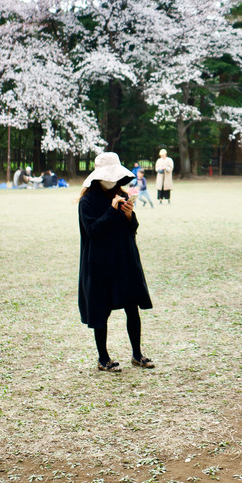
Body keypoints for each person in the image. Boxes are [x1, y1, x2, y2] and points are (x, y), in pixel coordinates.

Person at [77, 151, 154, 372]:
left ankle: (137, 354)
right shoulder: (87, 202)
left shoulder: (122, 195)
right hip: (100, 263)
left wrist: (130, 216)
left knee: (132, 307)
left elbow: (131, 230)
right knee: (101, 310)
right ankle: (103, 358)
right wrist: (111, 211)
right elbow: (92, 231)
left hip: (124, 260)